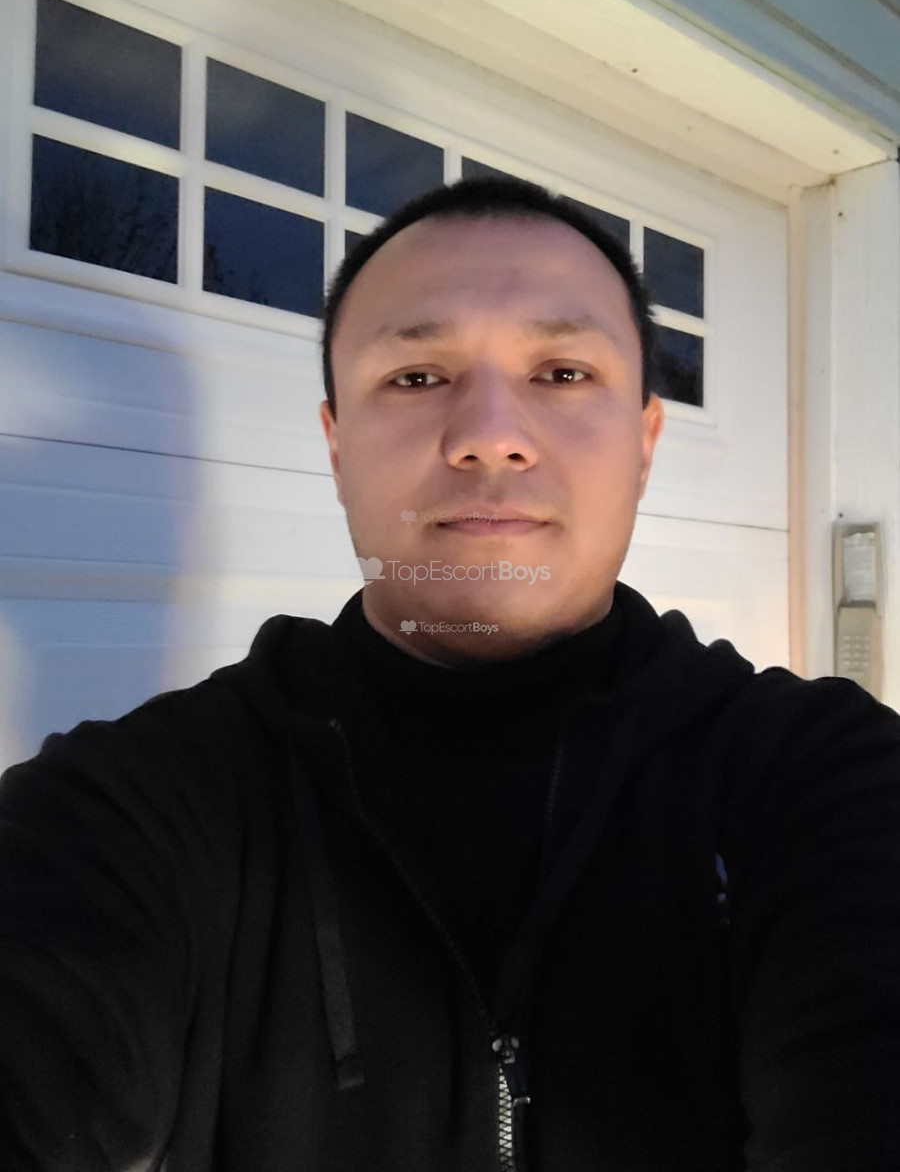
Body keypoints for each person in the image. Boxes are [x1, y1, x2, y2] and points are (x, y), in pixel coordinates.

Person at [1, 176, 899, 1172]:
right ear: (337, 448)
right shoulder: (139, 809)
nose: (488, 435)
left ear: (644, 445)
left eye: (562, 372)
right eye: (418, 376)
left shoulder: (822, 779)